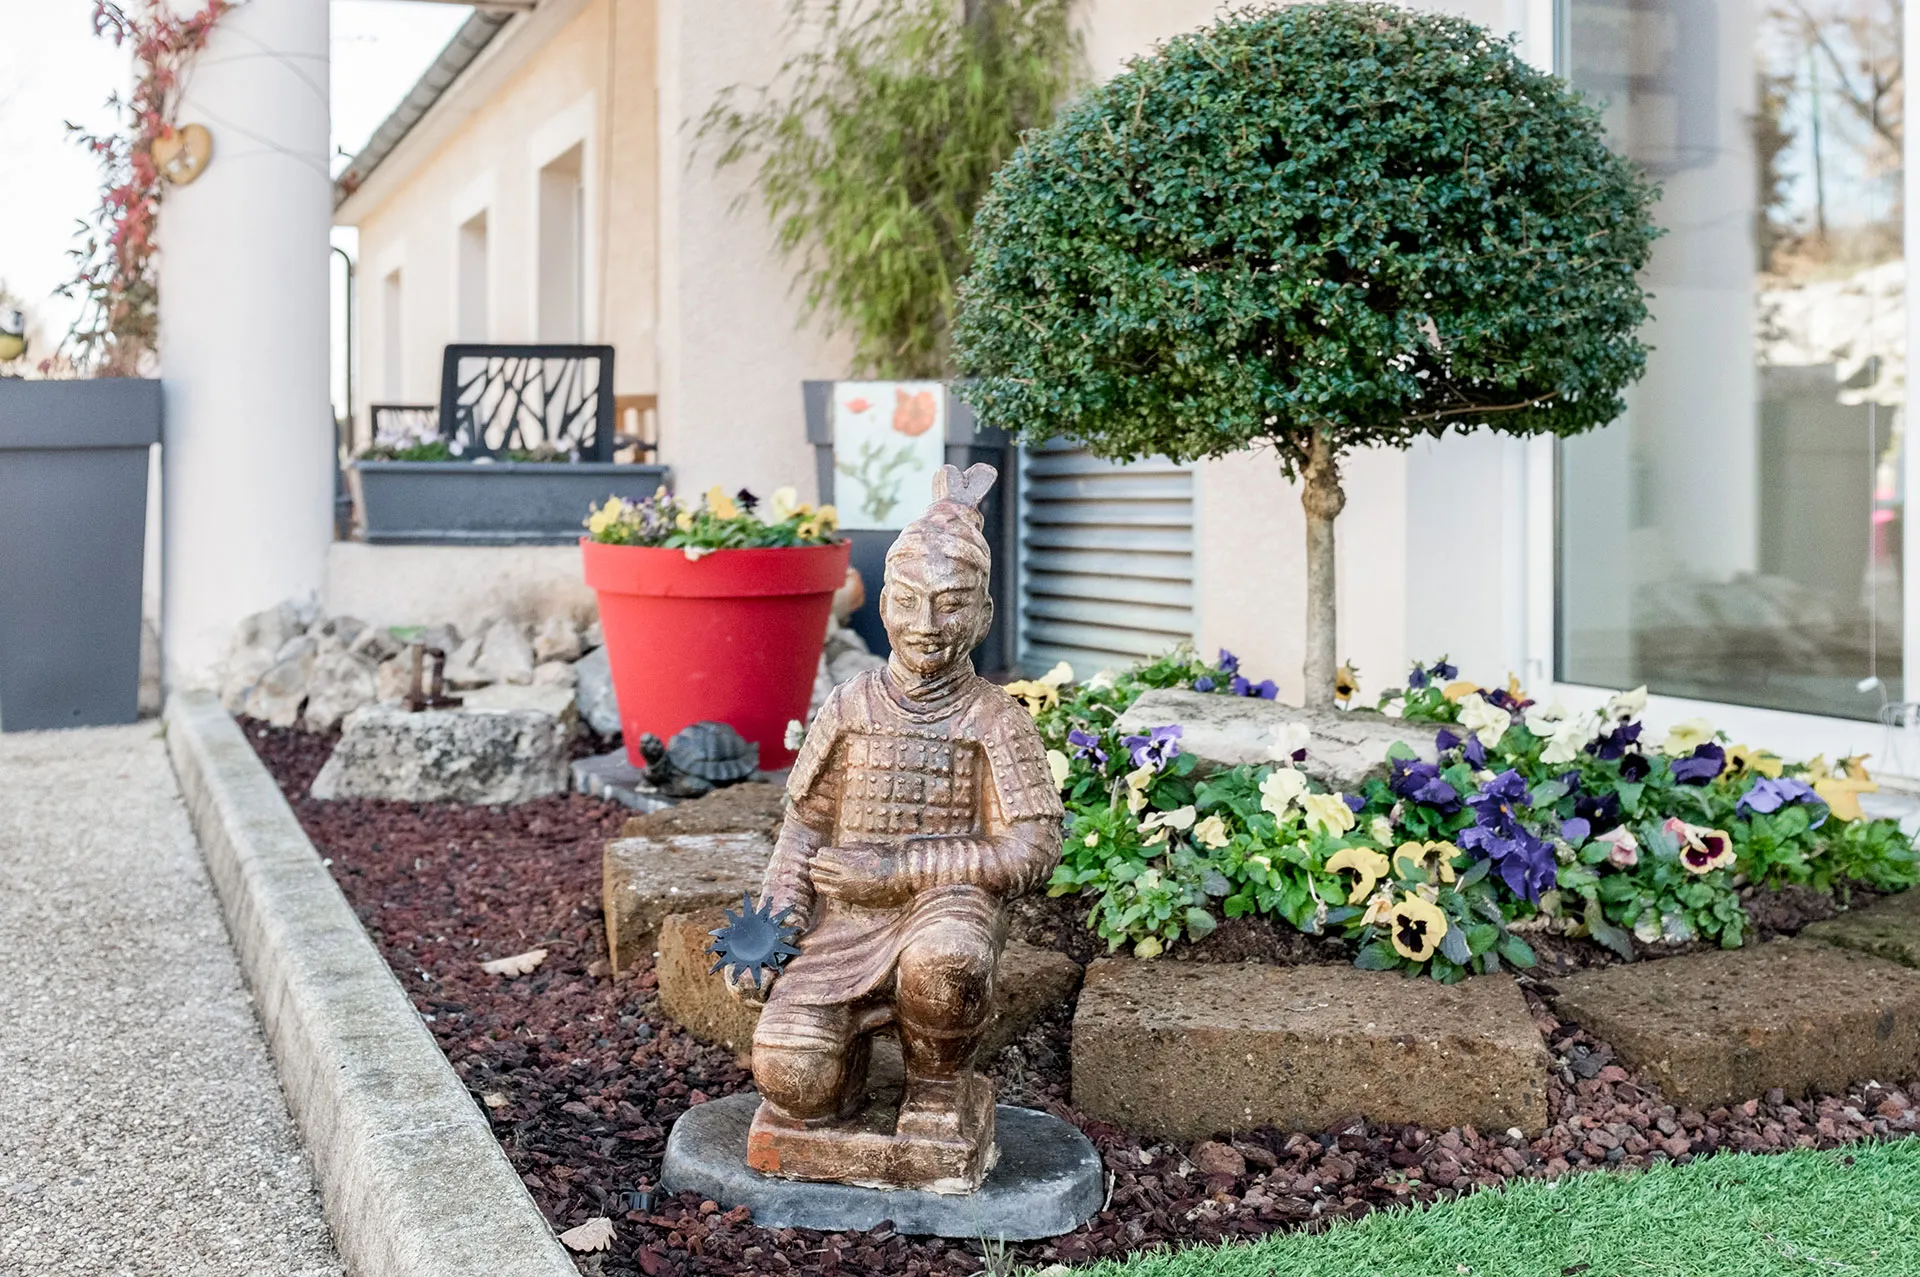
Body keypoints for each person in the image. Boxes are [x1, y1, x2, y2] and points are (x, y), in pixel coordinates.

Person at [730, 462, 1063, 1188]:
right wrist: (775, 921)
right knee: (792, 1078)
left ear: (982, 612)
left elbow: (1033, 846)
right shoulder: (849, 705)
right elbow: (803, 826)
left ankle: (940, 1094)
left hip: (944, 906)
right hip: (841, 920)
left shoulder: (993, 718)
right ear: (883, 604)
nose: (927, 626)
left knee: (945, 962)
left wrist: (904, 870)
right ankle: (835, 1081)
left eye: (950, 605)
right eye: (910, 601)